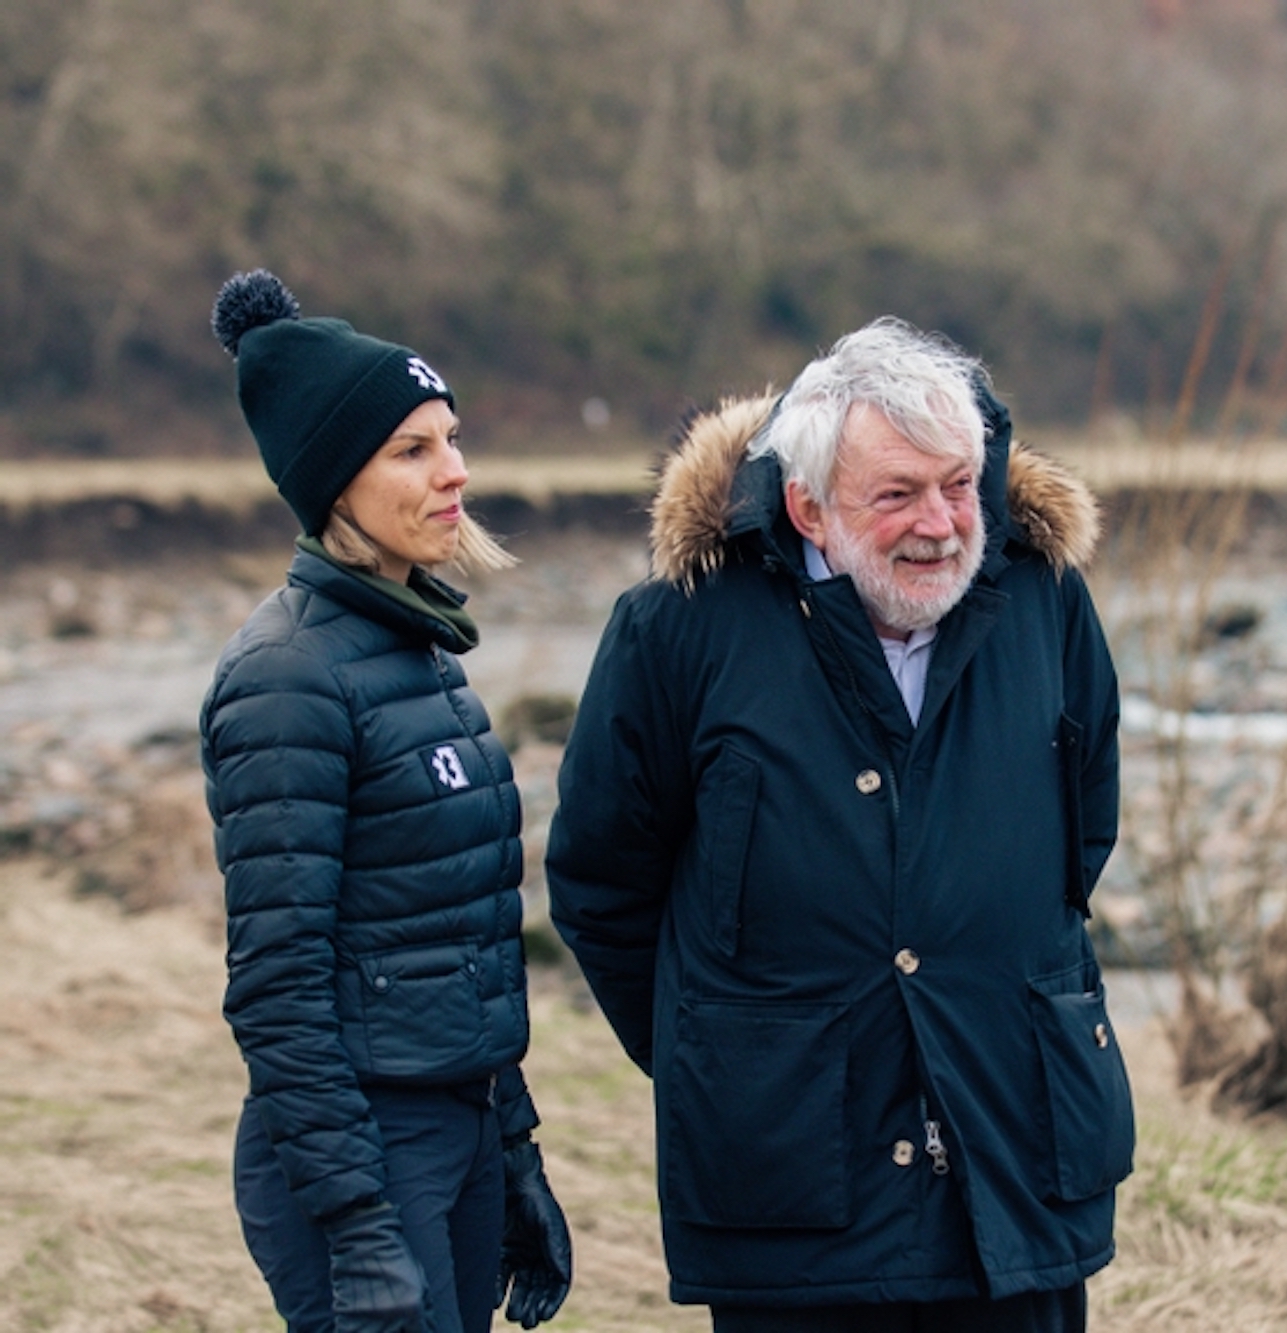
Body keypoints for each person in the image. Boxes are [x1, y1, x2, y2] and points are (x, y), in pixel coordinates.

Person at [545, 317, 1130, 1331]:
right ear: (809, 507)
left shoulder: (1045, 602)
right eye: (896, 494)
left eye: (957, 483)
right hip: (791, 1193)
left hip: (1013, 1158)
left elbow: (1080, 837)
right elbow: (603, 886)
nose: (942, 522)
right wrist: (734, 1050)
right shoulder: (677, 628)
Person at [201, 270, 571, 1333]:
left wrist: (512, 1156)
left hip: (451, 1136)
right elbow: (277, 985)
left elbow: (459, 938)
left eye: (451, 439)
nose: (454, 472)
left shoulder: (421, 654)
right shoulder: (288, 676)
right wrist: (359, 1223)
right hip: (358, 1155)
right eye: (411, 450)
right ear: (334, 480)